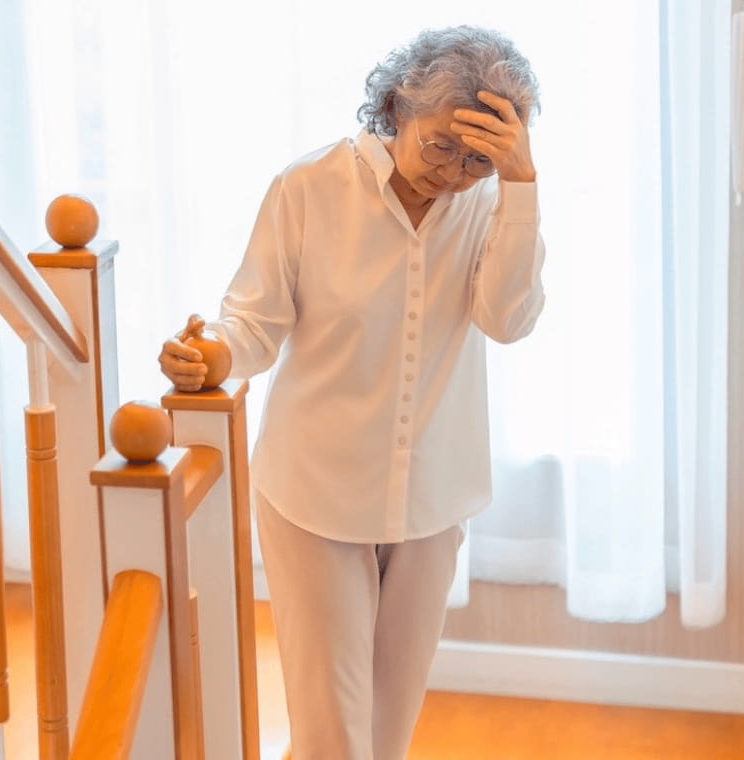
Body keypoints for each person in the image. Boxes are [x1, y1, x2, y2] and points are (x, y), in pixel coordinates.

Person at [158, 26, 546, 759]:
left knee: (386, 732)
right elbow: (254, 320)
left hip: (433, 496)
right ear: (398, 106)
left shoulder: (491, 202)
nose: (457, 171)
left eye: (477, 156)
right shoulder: (308, 187)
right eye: (441, 145)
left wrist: (519, 184)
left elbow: (508, 320)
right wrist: (207, 354)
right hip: (316, 491)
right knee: (334, 734)